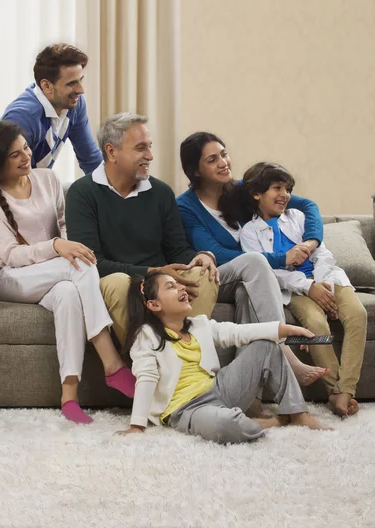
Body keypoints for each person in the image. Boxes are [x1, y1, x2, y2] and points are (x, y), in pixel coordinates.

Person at [0, 121, 135, 424]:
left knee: (68, 293)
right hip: (10, 278)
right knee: (80, 265)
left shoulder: (48, 179)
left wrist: (63, 243)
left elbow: (65, 227)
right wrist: (57, 245)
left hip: (54, 275)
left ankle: (69, 396)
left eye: (25, 147)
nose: (25, 156)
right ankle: (112, 363)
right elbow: (11, 255)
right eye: (14, 155)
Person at [177, 131, 327, 387]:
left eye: (224, 154)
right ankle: (288, 354)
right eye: (212, 159)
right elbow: (219, 254)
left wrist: (311, 242)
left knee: (248, 295)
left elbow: (308, 206)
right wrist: (281, 258)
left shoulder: (242, 189)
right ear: (195, 171)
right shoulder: (185, 207)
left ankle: (251, 395)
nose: (223, 162)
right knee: (253, 267)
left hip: (253, 282)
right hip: (222, 277)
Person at [116, 271, 331, 442]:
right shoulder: (145, 335)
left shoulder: (199, 324)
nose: (181, 287)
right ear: (154, 305)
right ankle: (272, 423)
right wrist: (137, 425)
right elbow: (146, 377)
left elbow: (238, 333)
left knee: (266, 346)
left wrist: (286, 329)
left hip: (220, 388)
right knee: (225, 426)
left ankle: (298, 414)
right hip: (187, 409)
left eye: (179, 284)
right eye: (171, 286)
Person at [65, 113, 219, 349]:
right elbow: (92, 263)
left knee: (204, 274)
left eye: (150, 146)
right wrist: (152, 271)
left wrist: (201, 257)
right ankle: (146, 359)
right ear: (111, 151)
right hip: (118, 281)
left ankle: (185, 356)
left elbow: (177, 249)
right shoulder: (82, 193)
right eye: (140, 148)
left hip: (158, 281)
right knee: (118, 283)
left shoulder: (161, 192)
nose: (150, 156)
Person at [239, 161, 367, 418]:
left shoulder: (298, 218)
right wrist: (309, 287)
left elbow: (322, 253)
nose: (285, 194)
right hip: (295, 290)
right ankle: (334, 391)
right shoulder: (249, 233)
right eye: (277, 188)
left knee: (358, 315)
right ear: (256, 193)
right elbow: (270, 273)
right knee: (316, 327)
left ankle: (345, 390)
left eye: (288, 188)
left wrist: (322, 285)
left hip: (328, 280)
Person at [0, 43, 102, 192]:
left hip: (32, 192)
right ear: (47, 86)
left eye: (81, 80)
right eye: (72, 83)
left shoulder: (74, 104)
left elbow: (90, 158)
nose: (81, 90)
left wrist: (115, 194)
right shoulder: (24, 117)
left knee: (78, 195)